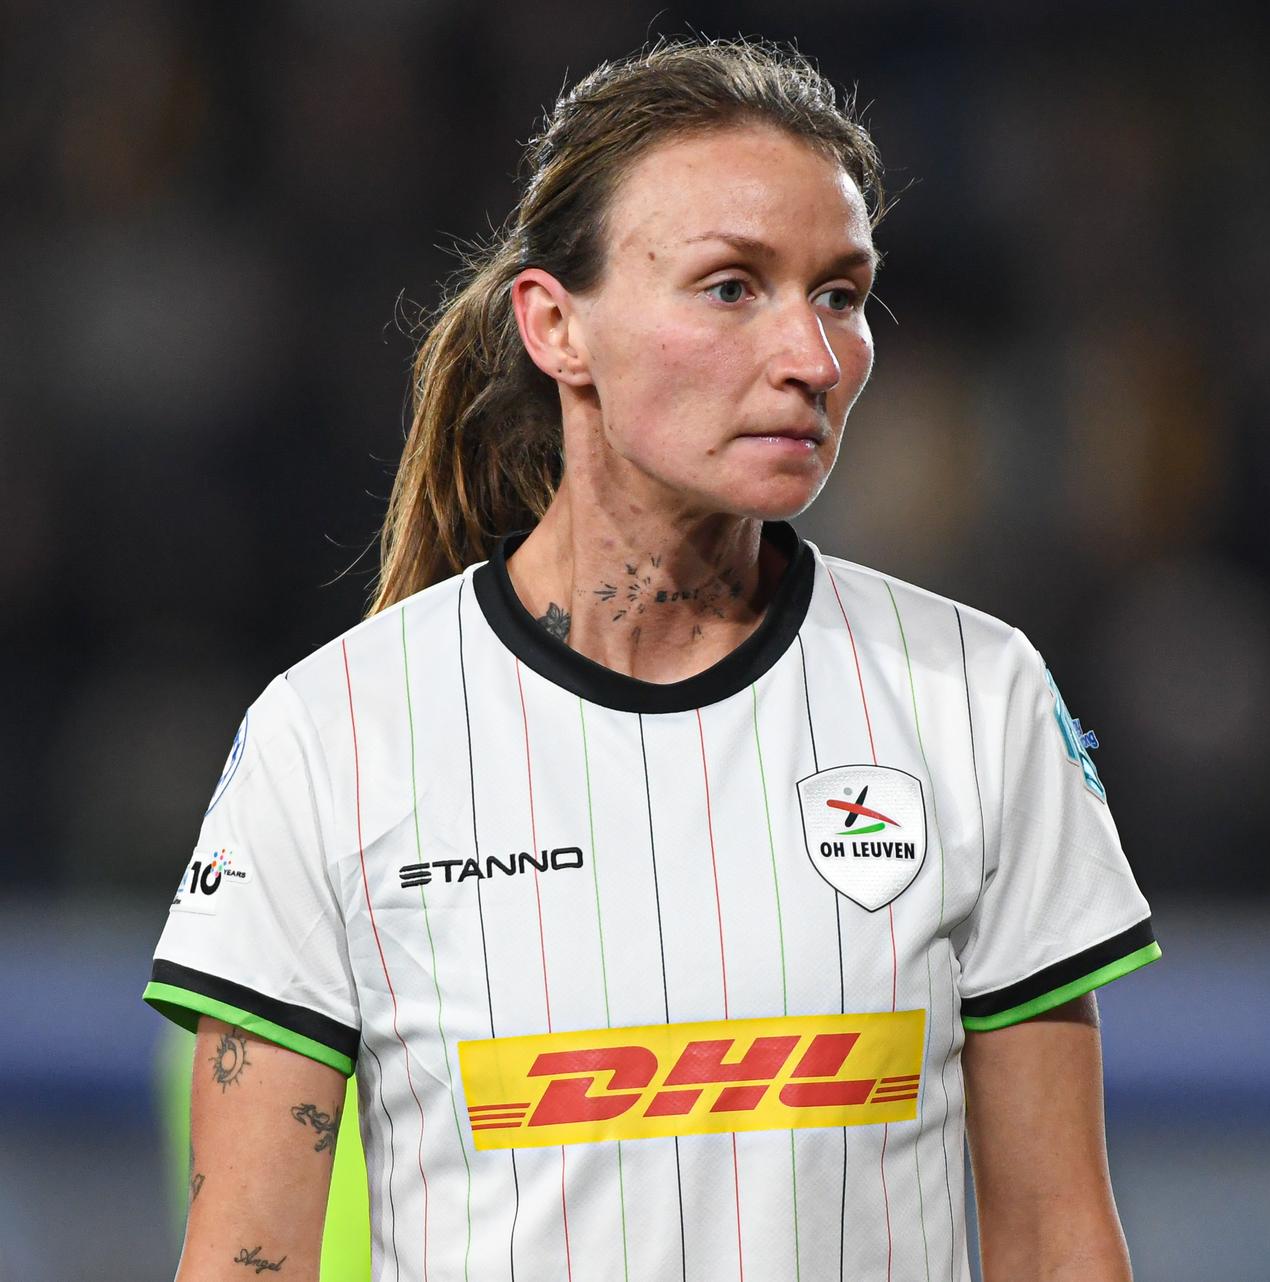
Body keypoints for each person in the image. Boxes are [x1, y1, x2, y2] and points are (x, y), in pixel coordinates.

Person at [144, 38, 1159, 1282]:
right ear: (556, 326)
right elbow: (247, 1260)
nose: (813, 357)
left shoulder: (976, 697)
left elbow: (1060, 1243)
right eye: (732, 286)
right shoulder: (333, 737)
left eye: (841, 294)